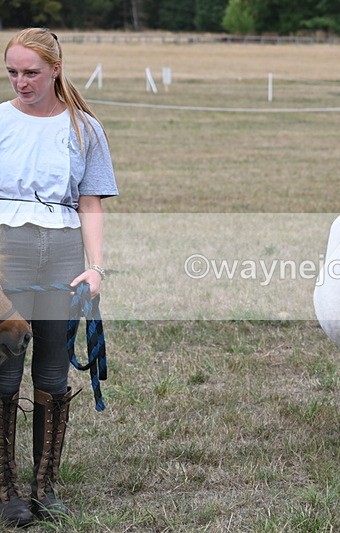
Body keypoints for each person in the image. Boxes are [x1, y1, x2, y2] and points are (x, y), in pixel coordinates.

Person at [0, 28, 118, 525]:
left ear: (55, 69)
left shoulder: (84, 128)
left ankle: (44, 486)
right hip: (7, 251)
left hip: (63, 253)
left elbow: (90, 203)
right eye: (12, 72)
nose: (21, 82)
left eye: (31, 72)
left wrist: (95, 265)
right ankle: (5, 490)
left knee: (52, 371)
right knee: (5, 369)